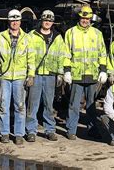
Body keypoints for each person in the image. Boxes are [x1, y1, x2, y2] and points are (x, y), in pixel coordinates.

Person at [64, 5, 107, 140]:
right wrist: (67, 71)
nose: (85, 20)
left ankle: (92, 129)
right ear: (80, 17)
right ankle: (71, 130)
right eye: (83, 18)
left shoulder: (97, 34)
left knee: (91, 106)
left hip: (92, 75)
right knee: (74, 105)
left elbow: (102, 53)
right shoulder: (70, 33)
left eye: (87, 18)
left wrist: (103, 70)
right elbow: (66, 53)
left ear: (90, 19)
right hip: (76, 75)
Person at [0, 9, 35, 145]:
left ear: (20, 21)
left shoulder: (27, 38)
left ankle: (18, 134)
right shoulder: (0, 37)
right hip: (5, 76)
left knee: (20, 106)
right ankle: (4, 133)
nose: (15, 22)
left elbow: (31, 58)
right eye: (12, 20)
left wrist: (31, 75)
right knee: (3, 106)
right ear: (9, 21)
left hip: (20, 77)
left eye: (17, 20)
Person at [26, 10, 70, 142]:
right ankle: (31, 131)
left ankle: (50, 130)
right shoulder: (31, 35)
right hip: (36, 74)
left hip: (50, 75)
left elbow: (63, 55)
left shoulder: (57, 38)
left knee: (48, 104)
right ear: (41, 20)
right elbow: (27, 54)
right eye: (45, 20)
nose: (47, 22)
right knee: (32, 105)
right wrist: (29, 74)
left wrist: (62, 73)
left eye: (50, 20)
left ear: (53, 22)